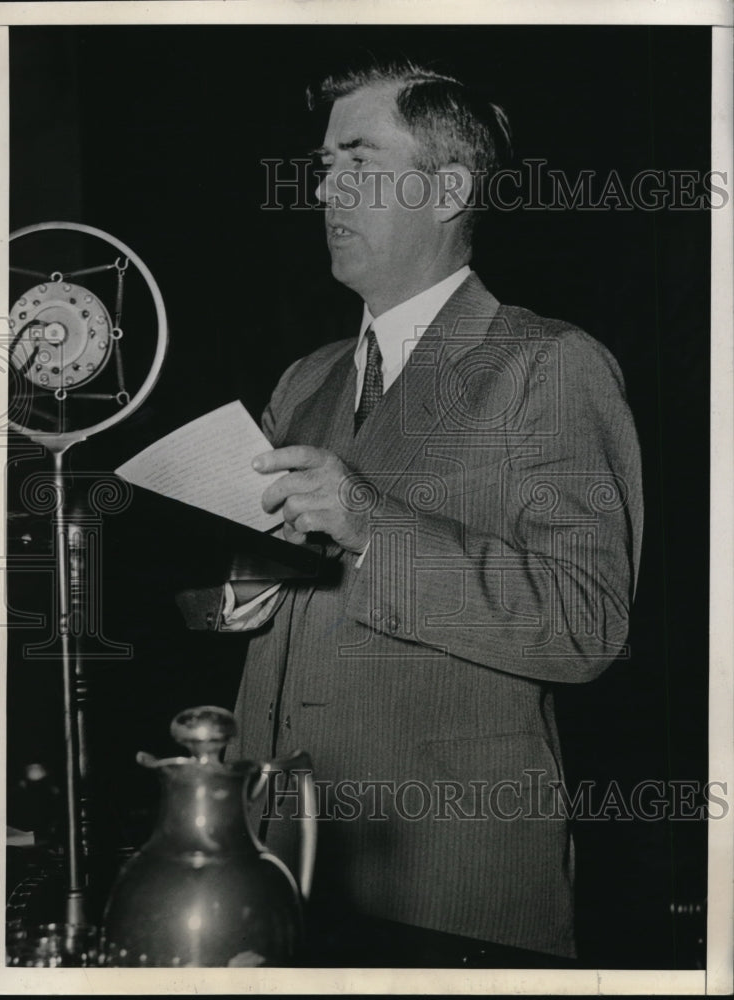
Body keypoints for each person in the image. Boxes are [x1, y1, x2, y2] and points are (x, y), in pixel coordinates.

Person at [176, 58, 643, 965]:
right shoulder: (305, 380)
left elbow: (587, 624)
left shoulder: (547, 365)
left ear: (449, 190)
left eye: (358, 160)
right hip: (273, 867)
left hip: (445, 884)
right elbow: (237, 603)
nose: (325, 189)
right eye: (323, 167)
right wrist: (232, 592)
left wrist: (369, 524)